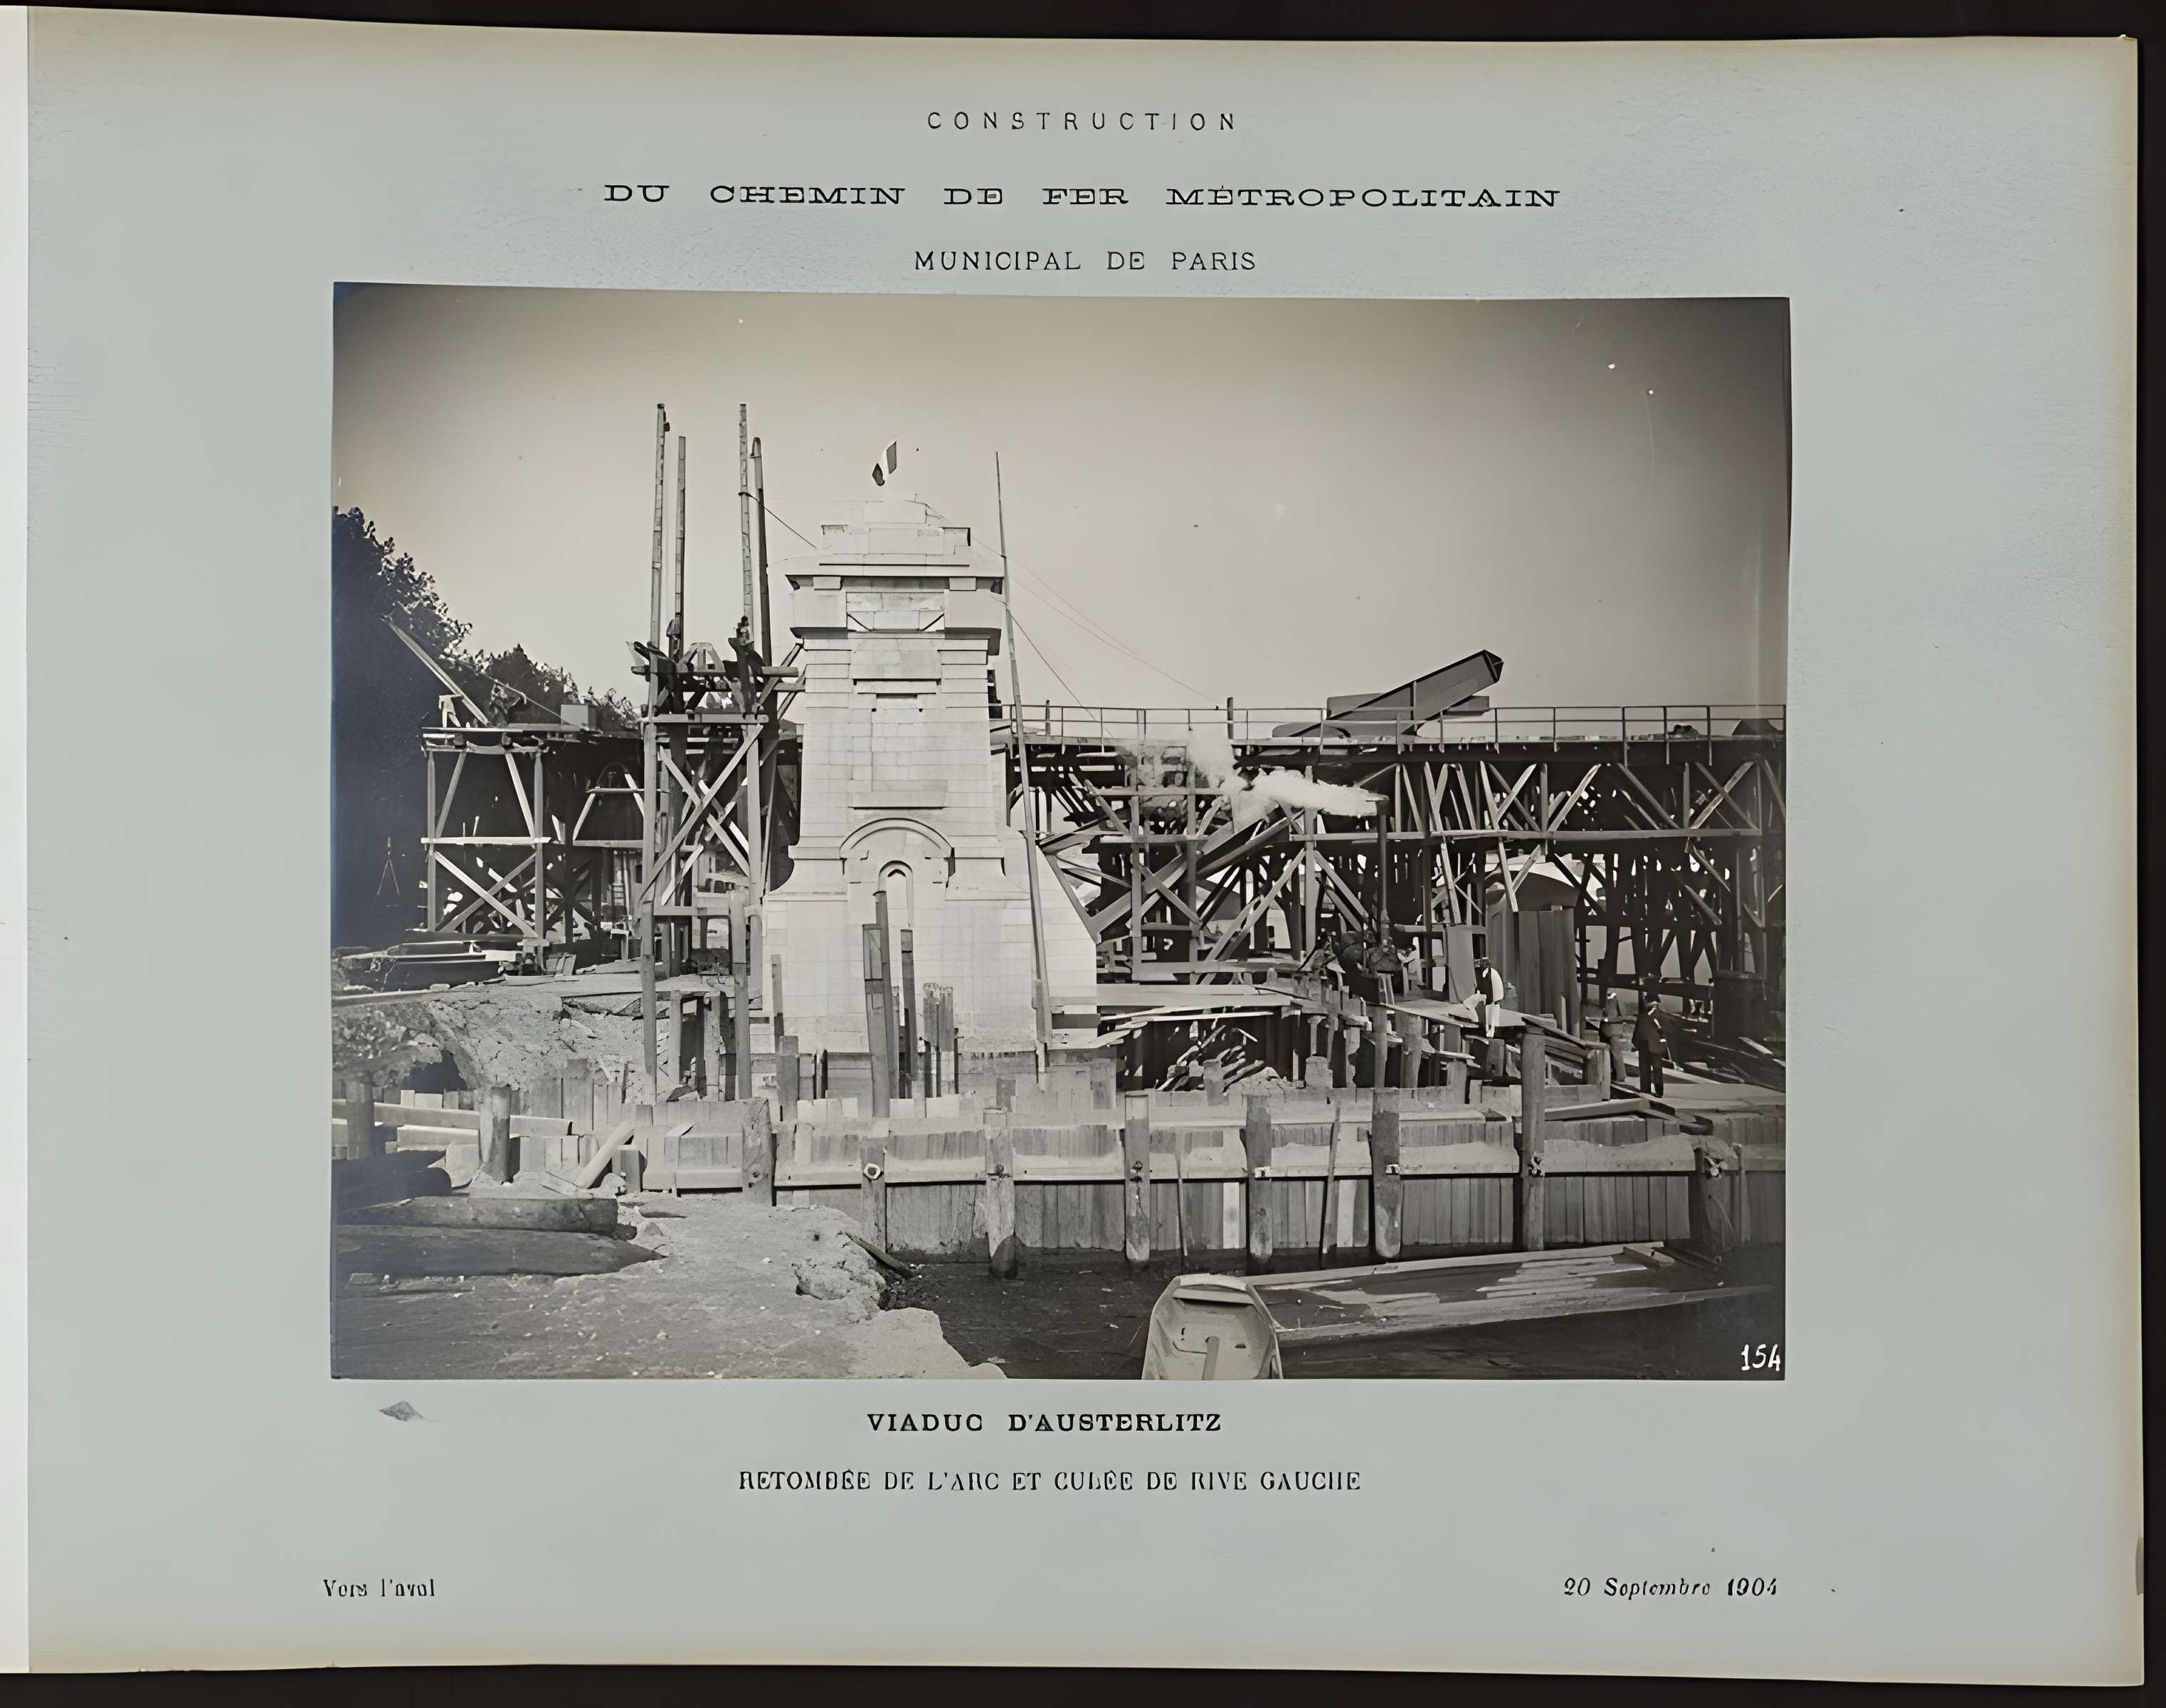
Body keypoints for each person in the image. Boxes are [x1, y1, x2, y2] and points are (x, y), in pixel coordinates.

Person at [1633, 989, 1669, 1097]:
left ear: (1656, 1003)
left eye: (1651, 1002)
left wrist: (1659, 1027)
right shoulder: (1643, 1014)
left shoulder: (1660, 1015)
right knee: (1644, 1067)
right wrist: (1636, 1042)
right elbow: (1637, 1029)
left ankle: (1659, 1091)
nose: (1649, 1004)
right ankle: (1645, 1089)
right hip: (1643, 1043)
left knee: (1657, 1068)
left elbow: (1667, 1030)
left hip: (1655, 1045)